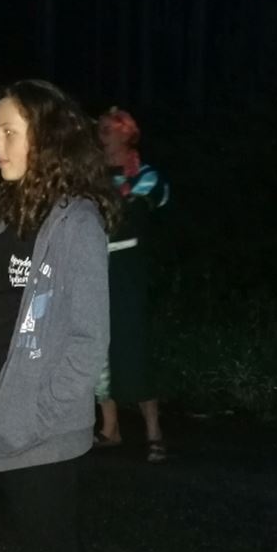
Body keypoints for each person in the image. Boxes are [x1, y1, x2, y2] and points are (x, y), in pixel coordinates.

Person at [0, 79, 118, 552]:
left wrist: (43, 412)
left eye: (8, 132)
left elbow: (89, 337)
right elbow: (0, 312)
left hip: (42, 429)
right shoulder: (10, 213)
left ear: (46, 138)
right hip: (5, 412)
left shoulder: (78, 222)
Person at [92, 107, 171, 463]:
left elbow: (147, 204)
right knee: (97, 344)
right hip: (94, 265)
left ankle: (154, 432)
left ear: (127, 133)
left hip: (128, 268)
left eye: (108, 128)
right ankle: (110, 428)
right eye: (100, 128)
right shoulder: (91, 176)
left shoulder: (147, 176)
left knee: (134, 344)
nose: (102, 134)